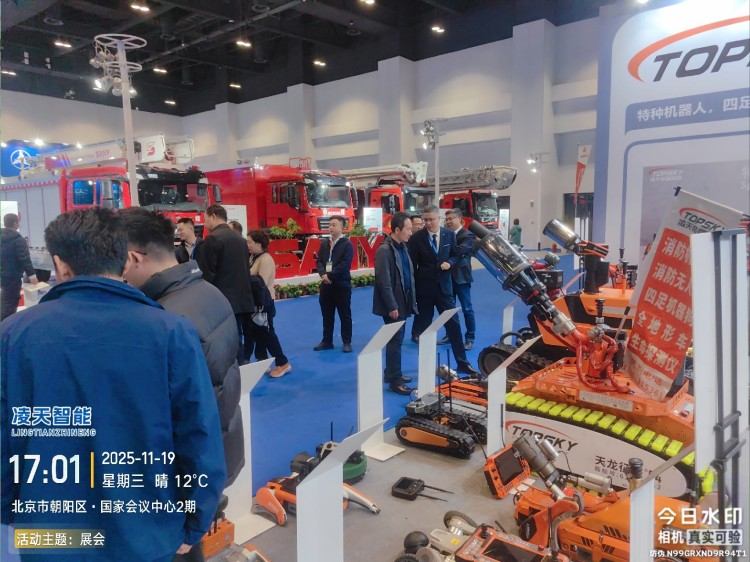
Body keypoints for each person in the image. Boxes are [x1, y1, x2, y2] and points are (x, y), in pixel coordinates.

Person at [0, 208, 226, 562]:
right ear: (124, 261)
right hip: (146, 531)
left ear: (60, 265)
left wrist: (9, 509)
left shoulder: (13, 335)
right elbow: (198, 435)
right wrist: (195, 520)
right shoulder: (170, 331)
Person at [120, 210, 244, 521]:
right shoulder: (207, 292)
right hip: (219, 451)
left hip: (184, 477)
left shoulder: (163, 319)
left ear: (133, 258)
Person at [408, 206, 478, 375]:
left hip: (445, 290)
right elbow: (412, 266)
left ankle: (462, 363)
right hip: (424, 291)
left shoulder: (449, 235)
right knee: (424, 330)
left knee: (454, 326)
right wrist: (414, 291)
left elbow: (455, 254)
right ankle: (426, 366)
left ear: (438, 218)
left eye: (431, 219)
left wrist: (450, 263)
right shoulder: (416, 238)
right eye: (425, 220)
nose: (428, 223)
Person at [196, 205, 255, 364]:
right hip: (242, 298)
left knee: (225, 340)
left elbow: (207, 274)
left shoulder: (213, 239)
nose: (205, 223)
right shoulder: (240, 240)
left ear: (213, 216)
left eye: (206, 218)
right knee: (238, 336)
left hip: (221, 300)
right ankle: (242, 365)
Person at [373, 212, 417, 395]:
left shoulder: (402, 247)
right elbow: (383, 281)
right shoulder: (384, 251)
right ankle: (395, 380)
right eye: (408, 229)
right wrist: (392, 306)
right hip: (394, 305)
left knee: (397, 340)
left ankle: (391, 373)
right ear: (397, 230)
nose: (411, 233)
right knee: (395, 341)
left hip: (403, 301)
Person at [247, 230, 292, 378]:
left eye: (250, 242)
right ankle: (262, 361)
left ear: (259, 244)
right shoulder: (252, 257)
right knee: (258, 333)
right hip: (255, 303)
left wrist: (243, 279)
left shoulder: (266, 259)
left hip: (264, 303)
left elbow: (261, 284)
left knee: (267, 334)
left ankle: (283, 363)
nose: (247, 245)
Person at [314, 216, 354, 353]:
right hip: (326, 286)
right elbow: (319, 261)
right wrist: (323, 275)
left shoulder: (347, 245)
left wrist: (329, 276)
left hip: (341, 285)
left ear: (342, 227)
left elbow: (345, 265)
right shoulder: (325, 243)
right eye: (330, 225)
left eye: (334, 225)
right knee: (327, 315)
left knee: (345, 315)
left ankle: (347, 342)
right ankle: (327, 341)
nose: (330, 227)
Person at [444, 208, 476, 349]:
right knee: (448, 310)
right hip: (447, 278)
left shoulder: (468, 235)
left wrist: (448, 251)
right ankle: (450, 335)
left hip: (462, 278)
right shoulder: (446, 235)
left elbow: (460, 251)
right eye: (447, 219)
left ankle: (470, 338)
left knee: (467, 309)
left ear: (460, 219)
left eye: (451, 218)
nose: (448, 221)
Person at [1, 213, 38, 320]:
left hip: (3, 275)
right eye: (18, 222)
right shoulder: (18, 240)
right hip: (13, 276)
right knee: (11, 302)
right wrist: (32, 276)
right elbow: (24, 259)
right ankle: (6, 324)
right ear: (15, 223)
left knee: (5, 300)